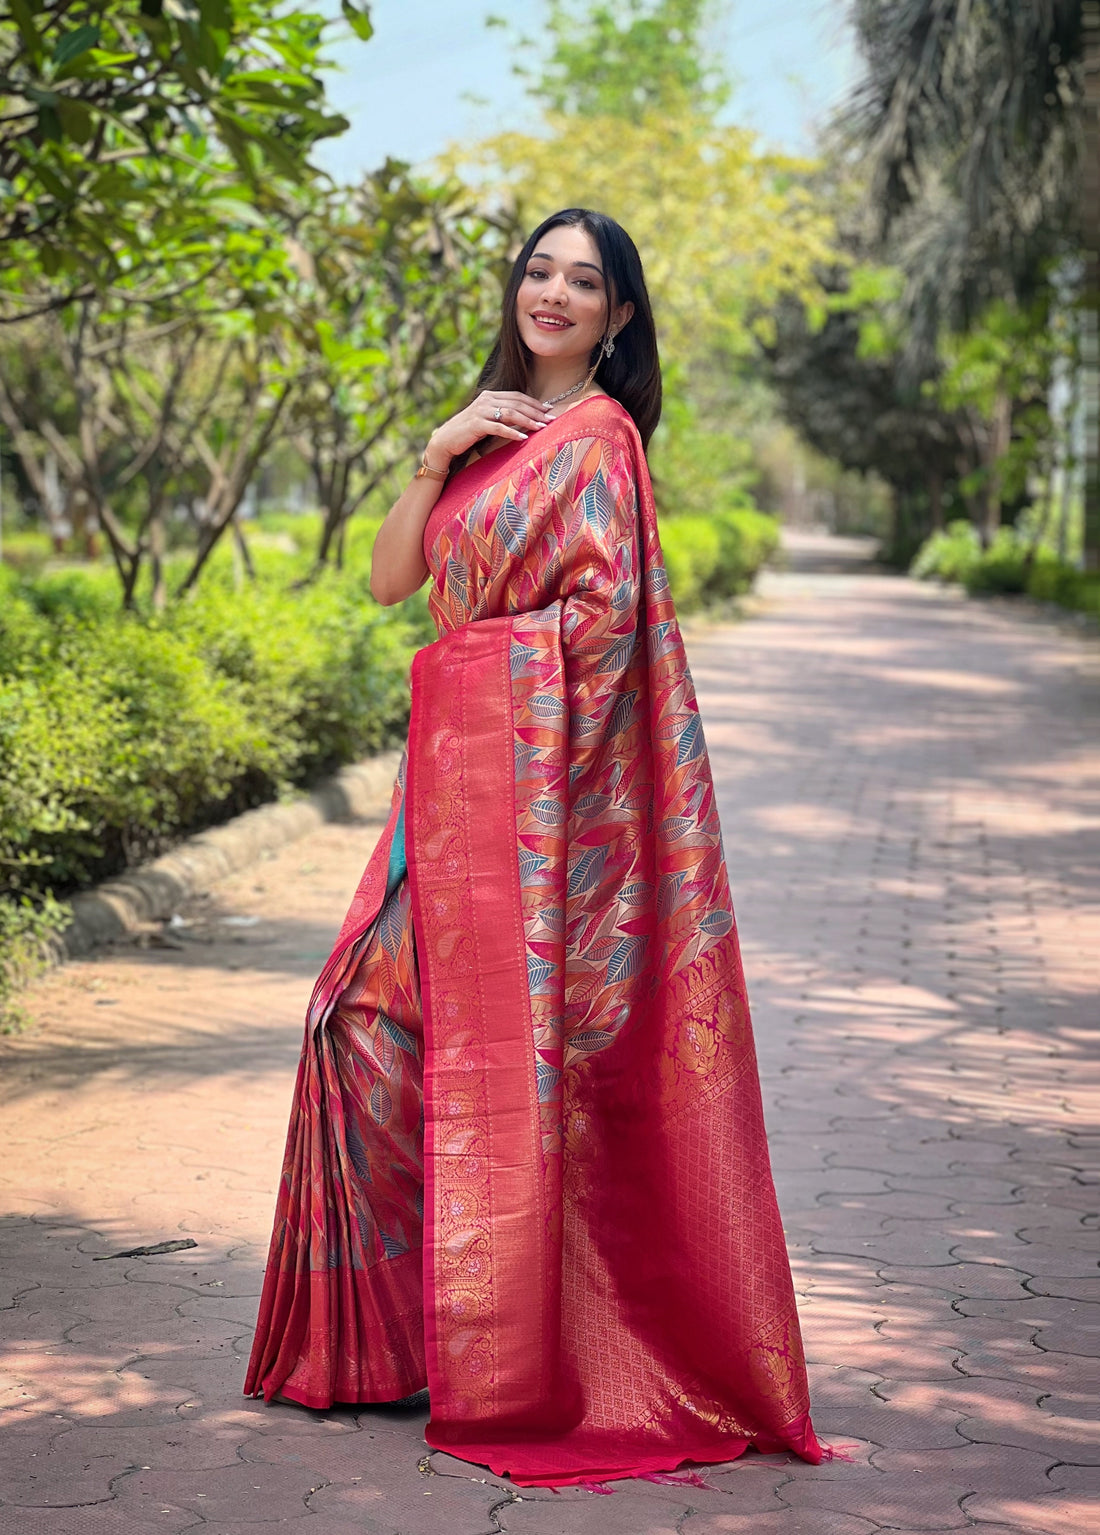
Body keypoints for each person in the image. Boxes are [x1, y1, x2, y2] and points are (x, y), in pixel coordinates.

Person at [245, 207, 822, 1487]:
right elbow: (394, 581)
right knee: (359, 1027)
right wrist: (433, 450)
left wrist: (487, 673)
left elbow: (604, 629)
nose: (552, 293)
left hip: (522, 800)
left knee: (422, 1045)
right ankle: (390, 1343)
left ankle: (483, 1353)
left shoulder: (601, 440)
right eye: (538, 271)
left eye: (584, 281)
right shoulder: (492, 433)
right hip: (448, 794)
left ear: (619, 317)